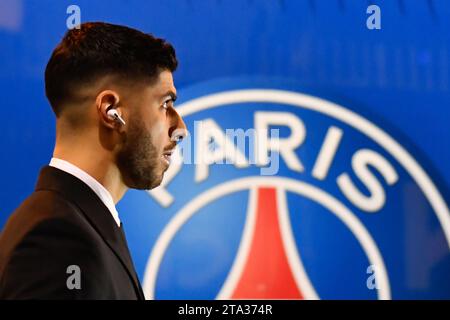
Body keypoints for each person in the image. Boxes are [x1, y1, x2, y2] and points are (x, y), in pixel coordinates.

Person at [0, 22, 187, 299]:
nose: (180, 127)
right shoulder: (59, 241)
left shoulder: (80, 224)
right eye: (165, 104)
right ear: (111, 111)